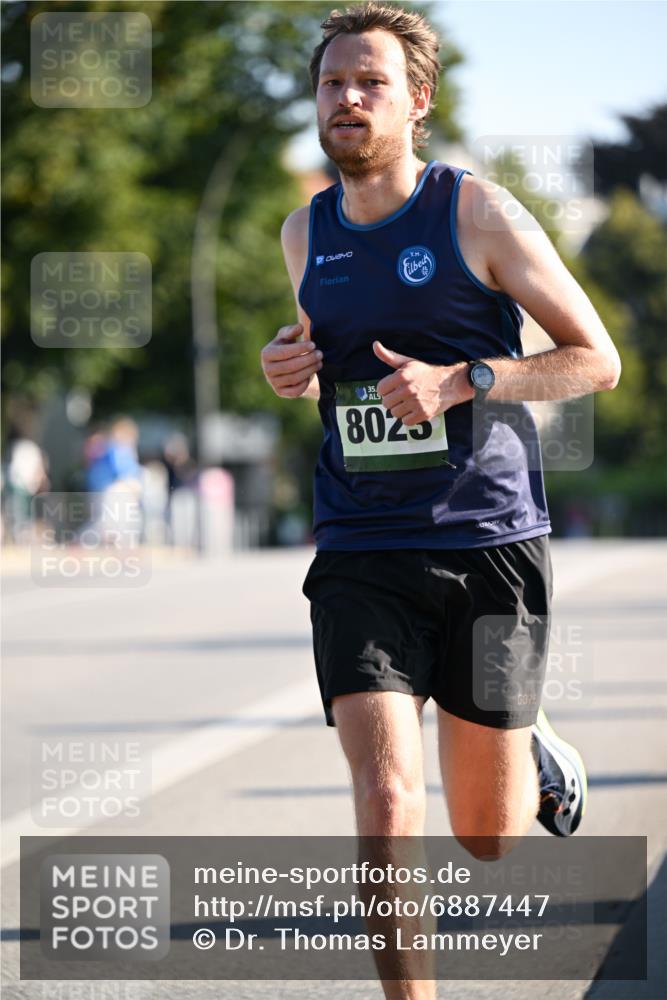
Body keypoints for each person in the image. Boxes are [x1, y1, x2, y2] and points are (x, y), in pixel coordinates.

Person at [261, 3, 620, 994]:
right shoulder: (304, 231)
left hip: (487, 544)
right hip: (359, 546)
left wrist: (463, 378)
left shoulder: (479, 214)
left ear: (417, 100)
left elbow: (597, 361)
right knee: (384, 797)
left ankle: (530, 743)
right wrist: (282, 366)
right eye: (333, 82)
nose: (347, 97)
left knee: (487, 836)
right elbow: (326, 368)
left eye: (369, 81)